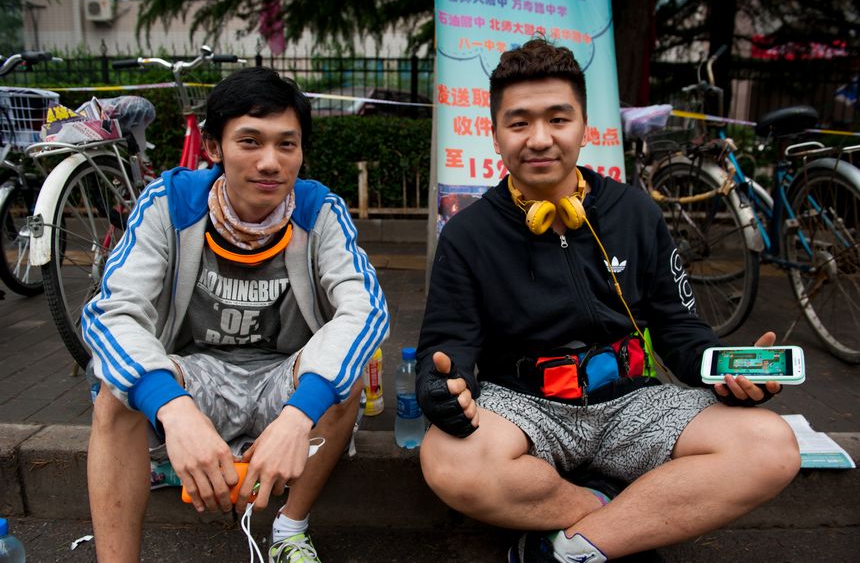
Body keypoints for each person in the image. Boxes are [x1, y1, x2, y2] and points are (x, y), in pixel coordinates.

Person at [416, 38, 800, 562]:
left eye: (558, 118)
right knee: (445, 459)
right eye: (519, 122)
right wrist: (444, 388)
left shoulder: (636, 213)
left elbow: (680, 331)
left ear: (585, 125)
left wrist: (725, 374)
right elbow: (446, 346)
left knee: (771, 445)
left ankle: (568, 549)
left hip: (634, 403)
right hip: (525, 408)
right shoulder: (466, 235)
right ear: (495, 132)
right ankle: (609, 512)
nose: (540, 139)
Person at [83, 67, 389, 562]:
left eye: (286, 145)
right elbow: (111, 313)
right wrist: (174, 408)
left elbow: (364, 310)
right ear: (213, 147)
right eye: (250, 141)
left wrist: (298, 415)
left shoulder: (319, 210)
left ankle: (290, 530)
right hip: (196, 376)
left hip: (282, 378)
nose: (270, 162)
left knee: (342, 375)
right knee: (114, 394)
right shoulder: (170, 202)